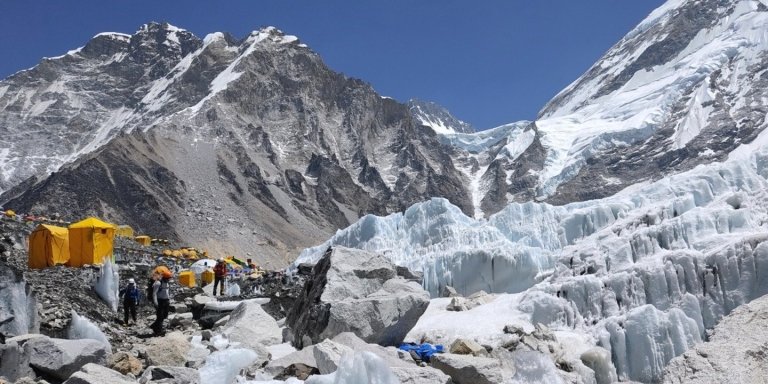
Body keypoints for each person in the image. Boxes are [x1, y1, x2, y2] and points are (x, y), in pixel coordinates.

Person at [150, 271, 171, 336]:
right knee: (160, 316)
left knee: (164, 316)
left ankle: (154, 326)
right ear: (164, 278)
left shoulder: (167, 283)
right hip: (160, 301)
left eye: (169, 278)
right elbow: (154, 294)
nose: (168, 280)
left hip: (166, 301)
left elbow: (167, 292)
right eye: (167, 278)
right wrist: (156, 303)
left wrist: (169, 300)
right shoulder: (158, 283)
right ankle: (158, 331)